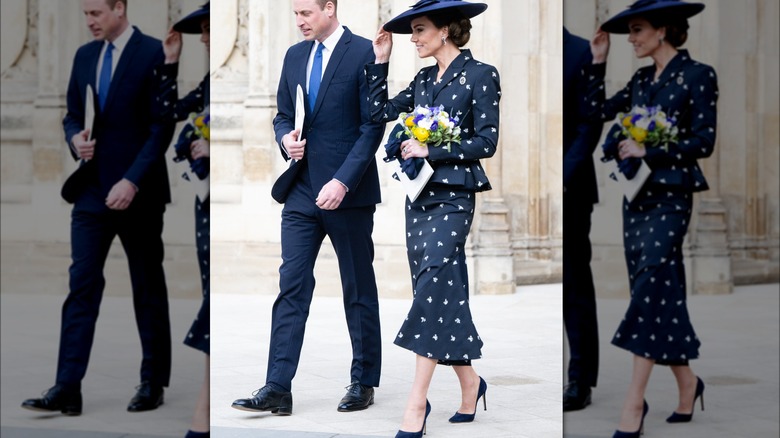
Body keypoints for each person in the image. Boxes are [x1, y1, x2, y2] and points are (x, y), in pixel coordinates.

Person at [230, 0, 384, 415]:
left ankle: (364, 381)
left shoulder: (366, 51)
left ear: (330, 8)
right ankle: (277, 385)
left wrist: (343, 181)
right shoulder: (295, 55)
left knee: (357, 288)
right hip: (300, 189)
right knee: (291, 287)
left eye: (306, 13)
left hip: (347, 193)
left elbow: (373, 126)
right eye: (295, 15)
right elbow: (283, 114)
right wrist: (285, 139)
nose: (299, 22)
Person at [21, 0, 174, 415]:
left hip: (138, 193)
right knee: (81, 286)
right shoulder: (85, 55)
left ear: (120, 8)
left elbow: (162, 127)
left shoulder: (155, 52)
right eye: (85, 15)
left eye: (96, 13)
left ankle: (152, 382)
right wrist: (74, 139)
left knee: (147, 287)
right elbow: (72, 115)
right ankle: (67, 387)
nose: (89, 21)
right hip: (90, 192)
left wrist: (132, 181)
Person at [368, 1, 499, 436]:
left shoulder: (483, 75)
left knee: (431, 285)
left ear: (446, 30)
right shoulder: (423, 79)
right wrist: (380, 62)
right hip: (419, 199)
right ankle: (471, 383)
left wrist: (432, 148)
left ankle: (416, 403)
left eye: (420, 30)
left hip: (455, 198)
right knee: (442, 290)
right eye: (412, 32)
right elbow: (378, 112)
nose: (414, 38)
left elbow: (487, 141)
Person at [586, 0, 716, 436]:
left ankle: (633, 402)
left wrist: (650, 148)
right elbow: (597, 111)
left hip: (672, 198)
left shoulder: (699, 75)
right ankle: (688, 384)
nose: (633, 39)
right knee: (661, 292)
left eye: (638, 30)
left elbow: (704, 141)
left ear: (663, 30)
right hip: (636, 201)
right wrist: (599, 62)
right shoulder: (642, 79)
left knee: (647, 288)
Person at [157, 3, 210, 437]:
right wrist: (170, 61)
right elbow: (167, 113)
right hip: (203, 204)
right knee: (210, 294)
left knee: (216, 301)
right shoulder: (210, 83)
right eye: (204, 30)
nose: (207, 37)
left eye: (212, 28)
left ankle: (204, 412)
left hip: (222, 207)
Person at [562, 26, 604, 412]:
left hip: (572, 188)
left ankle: (580, 378)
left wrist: (563, 173)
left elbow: (590, 123)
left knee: (575, 285)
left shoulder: (580, 51)